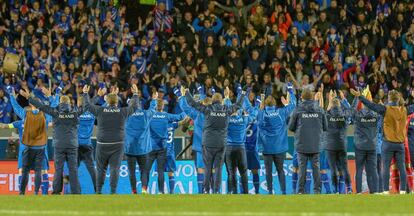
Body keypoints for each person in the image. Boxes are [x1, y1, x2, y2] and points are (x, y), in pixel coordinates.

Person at [183, 86, 245, 194]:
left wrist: (187, 92)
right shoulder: (226, 110)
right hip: (221, 144)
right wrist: (243, 93)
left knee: (207, 168)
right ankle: (216, 191)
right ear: (221, 101)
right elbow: (239, 105)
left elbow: (192, 103)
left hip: (208, 144)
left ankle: (206, 190)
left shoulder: (207, 109)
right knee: (218, 169)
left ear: (212, 100)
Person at [351, 89, 414, 194]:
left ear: (389, 98)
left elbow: (371, 105)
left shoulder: (385, 109)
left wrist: (360, 96)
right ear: (398, 99)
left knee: (385, 167)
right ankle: (403, 191)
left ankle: (385, 191)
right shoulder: (405, 110)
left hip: (388, 143)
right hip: (400, 144)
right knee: (402, 168)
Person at [22, 87, 83, 194]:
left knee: (58, 169)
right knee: (73, 169)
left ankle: (56, 191)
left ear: (60, 102)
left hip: (59, 145)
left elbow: (41, 106)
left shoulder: (55, 112)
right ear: (69, 103)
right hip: (72, 145)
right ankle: (76, 191)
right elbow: (85, 108)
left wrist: (29, 98)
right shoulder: (75, 113)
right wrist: (86, 94)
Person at [82, 84, 140, 194]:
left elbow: (87, 107)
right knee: (114, 169)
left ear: (107, 102)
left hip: (102, 144)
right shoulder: (122, 112)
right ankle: (113, 192)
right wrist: (135, 94)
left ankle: (99, 191)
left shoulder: (100, 110)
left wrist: (85, 94)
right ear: (117, 102)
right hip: (118, 144)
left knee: (101, 169)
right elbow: (134, 108)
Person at [9, 88, 49, 195]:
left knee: (23, 170)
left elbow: (16, 108)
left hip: (28, 148)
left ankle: (21, 193)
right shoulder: (45, 116)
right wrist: (54, 95)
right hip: (41, 148)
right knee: (41, 171)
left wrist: (11, 95)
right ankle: (41, 194)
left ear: (31, 105)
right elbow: (53, 107)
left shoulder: (26, 116)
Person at [257, 83, 296, 195]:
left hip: (267, 149)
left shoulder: (262, 114)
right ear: (275, 103)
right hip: (279, 148)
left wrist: (262, 98)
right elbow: (293, 105)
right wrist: (290, 91)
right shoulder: (281, 112)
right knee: (280, 171)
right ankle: (283, 192)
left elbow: (259, 111)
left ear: (265, 104)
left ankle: (270, 192)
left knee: (268, 172)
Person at [288, 88, 327, 194]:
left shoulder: (297, 109)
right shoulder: (319, 109)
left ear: (302, 97)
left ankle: (300, 191)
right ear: (312, 97)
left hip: (302, 145)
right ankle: (317, 191)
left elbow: (291, 127)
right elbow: (325, 127)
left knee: (302, 169)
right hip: (315, 145)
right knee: (316, 168)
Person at [143, 99, 185, 194]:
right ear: (163, 107)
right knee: (161, 171)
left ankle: (144, 190)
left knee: (146, 170)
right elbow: (180, 117)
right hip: (163, 148)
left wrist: (153, 101)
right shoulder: (167, 116)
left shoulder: (150, 116)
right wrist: (188, 108)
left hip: (151, 147)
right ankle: (161, 191)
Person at [223, 90, 257, 194]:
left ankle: (232, 192)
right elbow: (254, 115)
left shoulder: (226, 120)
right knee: (243, 172)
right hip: (241, 148)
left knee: (231, 172)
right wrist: (258, 103)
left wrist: (227, 97)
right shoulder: (244, 119)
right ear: (237, 111)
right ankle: (246, 193)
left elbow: (226, 109)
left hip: (229, 148)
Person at [124, 92, 157, 194]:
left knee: (132, 172)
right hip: (143, 149)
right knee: (144, 170)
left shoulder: (125, 114)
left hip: (130, 149)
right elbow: (152, 109)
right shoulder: (145, 114)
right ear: (140, 105)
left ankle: (134, 191)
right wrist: (154, 99)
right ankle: (144, 189)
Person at [177, 86, 208, 194]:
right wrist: (227, 99)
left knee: (200, 169)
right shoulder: (215, 113)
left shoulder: (197, 114)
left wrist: (182, 96)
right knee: (212, 170)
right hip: (212, 147)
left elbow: (185, 108)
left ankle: (201, 192)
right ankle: (212, 191)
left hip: (199, 147)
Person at [349, 90, 379, 194]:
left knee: (359, 169)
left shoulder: (358, 115)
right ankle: (374, 191)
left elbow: (351, 111)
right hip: (372, 146)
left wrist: (357, 98)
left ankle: (358, 192)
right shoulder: (376, 115)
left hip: (360, 146)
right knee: (373, 170)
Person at [324, 90, 352, 194]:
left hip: (330, 147)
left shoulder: (327, 116)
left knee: (333, 170)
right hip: (342, 145)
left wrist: (330, 101)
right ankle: (349, 188)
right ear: (340, 105)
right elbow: (350, 110)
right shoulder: (344, 116)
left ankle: (335, 190)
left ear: (331, 106)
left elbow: (325, 112)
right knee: (344, 168)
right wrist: (343, 99)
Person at [77, 97, 98, 192]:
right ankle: (98, 189)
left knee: (73, 169)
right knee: (92, 169)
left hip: (76, 145)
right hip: (87, 145)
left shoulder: (75, 114)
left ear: (79, 103)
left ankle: (72, 190)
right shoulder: (92, 114)